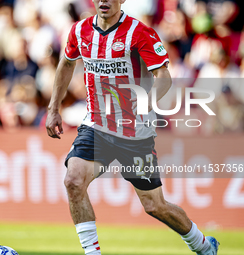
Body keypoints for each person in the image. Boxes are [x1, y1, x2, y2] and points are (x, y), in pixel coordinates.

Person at [46, 0, 220, 254]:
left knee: (154, 205)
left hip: (134, 133)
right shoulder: (79, 31)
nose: (104, 1)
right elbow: (67, 64)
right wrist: (53, 109)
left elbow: (164, 77)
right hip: (97, 125)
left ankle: (203, 245)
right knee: (73, 180)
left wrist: (145, 102)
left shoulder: (139, 33)